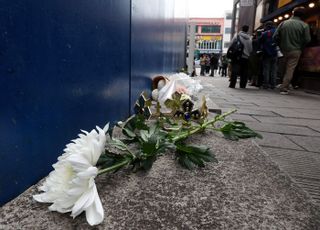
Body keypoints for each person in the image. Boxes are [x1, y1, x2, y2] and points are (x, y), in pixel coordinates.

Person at [273, 7, 311, 95]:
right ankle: (284, 87)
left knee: (282, 68)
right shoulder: (304, 25)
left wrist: (280, 43)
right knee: (290, 69)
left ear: (293, 13)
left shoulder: (283, 23)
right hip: (296, 50)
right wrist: (300, 45)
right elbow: (307, 39)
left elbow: (275, 36)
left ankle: (283, 83)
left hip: (283, 49)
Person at [260, 21, 278, 89]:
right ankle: (273, 84)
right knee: (274, 69)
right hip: (275, 53)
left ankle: (266, 84)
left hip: (266, 53)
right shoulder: (276, 31)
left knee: (266, 69)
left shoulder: (265, 33)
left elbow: (260, 41)